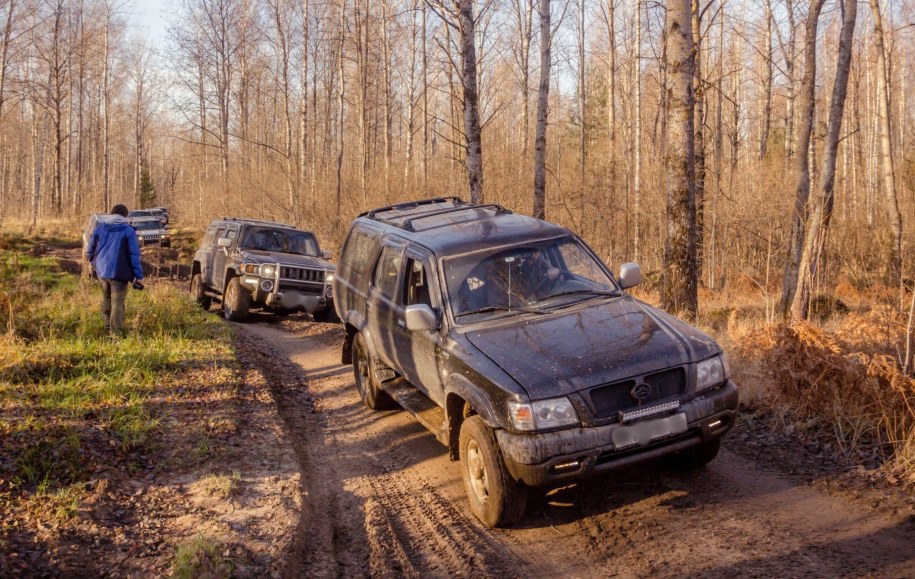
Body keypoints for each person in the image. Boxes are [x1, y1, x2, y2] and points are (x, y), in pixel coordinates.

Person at [85, 204, 144, 337]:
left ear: (111, 214)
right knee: (118, 301)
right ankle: (116, 332)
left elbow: (90, 249)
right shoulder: (128, 230)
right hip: (119, 272)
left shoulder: (100, 228)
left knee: (106, 297)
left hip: (102, 271)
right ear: (125, 216)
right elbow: (134, 254)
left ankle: (107, 326)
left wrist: (93, 263)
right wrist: (138, 274)